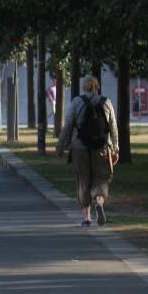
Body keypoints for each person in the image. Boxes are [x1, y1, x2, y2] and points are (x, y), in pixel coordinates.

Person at [57, 77, 120, 226]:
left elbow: (68, 126)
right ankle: (99, 201)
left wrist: (61, 146)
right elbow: (113, 128)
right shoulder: (107, 102)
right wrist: (115, 148)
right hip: (101, 148)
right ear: (97, 87)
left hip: (79, 148)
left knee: (83, 181)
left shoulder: (77, 102)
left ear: (84, 88)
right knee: (102, 179)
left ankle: (86, 218)